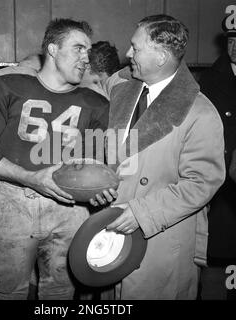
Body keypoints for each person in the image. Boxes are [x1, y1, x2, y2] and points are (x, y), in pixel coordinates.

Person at [0, 18, 114, 300]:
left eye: (88, 50)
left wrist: (98, 190)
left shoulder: (97, 103)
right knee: (7, 293)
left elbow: (95, 164)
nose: (86, 57)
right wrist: (31, 178)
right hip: (14, 204)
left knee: (60, 294)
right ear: (53, 49)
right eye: (78, 48)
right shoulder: (6, 86)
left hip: (70, 206)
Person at [98, 14, 225, 299]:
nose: (127, 54)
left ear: (161, 57)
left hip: (160, 243)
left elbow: (202, 183)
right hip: (111, 237)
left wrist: (142, 214)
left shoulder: (201, 113)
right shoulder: (122, 90)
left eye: (136, 48)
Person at [198, 18, 236, 300]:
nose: (234, 47)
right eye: (231, 40)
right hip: (225, 181)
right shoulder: (212, 79)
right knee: (220, 252)